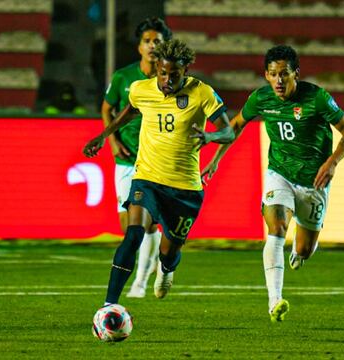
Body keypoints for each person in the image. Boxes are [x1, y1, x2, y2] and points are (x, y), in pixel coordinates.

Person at [202, 45, 344, 322]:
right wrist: (215, 159)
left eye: (284, 74)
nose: (278, 81)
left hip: (313, 183)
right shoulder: (261, 99)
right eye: (272, 74)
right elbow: (235, 126)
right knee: (277, 227)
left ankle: (301, 252)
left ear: (296, 74)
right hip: (280, 174)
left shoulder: (317, 98)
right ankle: (275, 300)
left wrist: (332, 161)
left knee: (303, 249)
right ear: (266, 75)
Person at [84, 39, 234, 310]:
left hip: (185, 189)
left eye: (173, 75)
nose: (166, 79)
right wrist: (103, 136)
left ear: (185, 70)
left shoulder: (202, 93)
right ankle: (109, 305)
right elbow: (127, 113)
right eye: (162, 73)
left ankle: (166, 269)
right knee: (133, 236)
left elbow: (229, 131)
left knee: (169, 251)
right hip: (147, 179)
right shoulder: (142, 89)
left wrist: (211, 136)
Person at [99, 17, 172, 298]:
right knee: (129, 227)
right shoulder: (123, 77)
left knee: (150, 222)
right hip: (126, 160)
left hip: (155, 161)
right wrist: (112, 141)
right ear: (139, 46)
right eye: (147, 41)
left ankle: (140, 282)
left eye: (157, 41)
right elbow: (107, 108)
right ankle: (146, 267)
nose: (152, 46)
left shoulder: (169, 78)